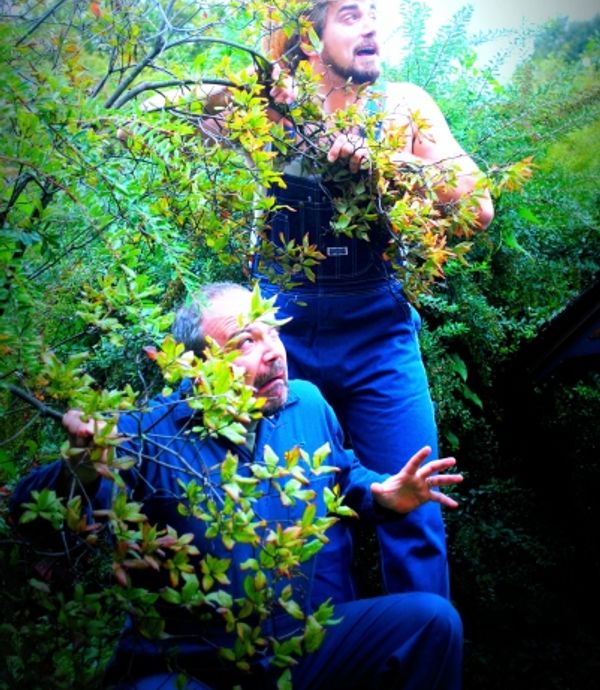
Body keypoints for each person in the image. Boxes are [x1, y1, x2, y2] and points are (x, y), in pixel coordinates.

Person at [10, 282, 463, 690]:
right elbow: (32, 515)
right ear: (196, 367)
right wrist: (82, 468)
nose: (274, 352)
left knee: (431, 622)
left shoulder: (307, 404)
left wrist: (382, 495)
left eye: (274, 332)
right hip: (191, 668)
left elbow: (343, 478)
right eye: (247, 340)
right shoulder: (145, 438)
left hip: (299, 648)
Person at [250, 0, 495, 599]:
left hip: (379, 338)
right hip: (282, 341)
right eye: (349, 15)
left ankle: (423, 649)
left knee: (417, 511)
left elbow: (477, 207)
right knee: (294, 515)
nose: (370, 30)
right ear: (311, 36)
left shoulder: (405, 106)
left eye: (374, 16)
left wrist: (388, 168)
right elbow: (181, 110)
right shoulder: (273, 108)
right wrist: (260, 79)